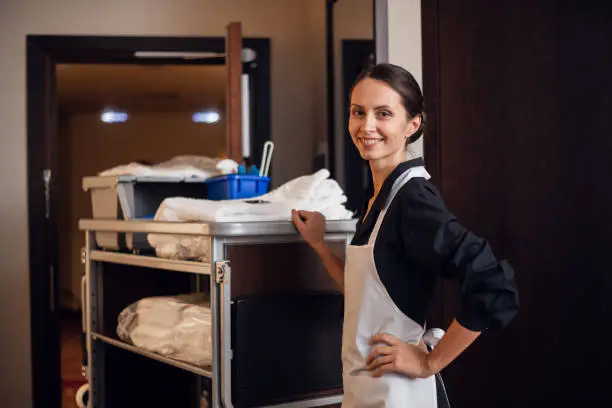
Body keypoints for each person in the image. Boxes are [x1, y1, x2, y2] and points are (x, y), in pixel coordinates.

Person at [291, 63, 519, 408]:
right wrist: (320, 246)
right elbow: (365, 296)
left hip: (400, 395)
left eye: (383, 113)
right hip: (367, 392)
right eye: (358, 112)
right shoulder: (381, 197)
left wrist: (430, 362)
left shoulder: (412, 201)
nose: (367, 126)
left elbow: (494, 285)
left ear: (411, 125)